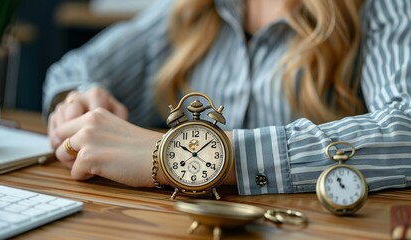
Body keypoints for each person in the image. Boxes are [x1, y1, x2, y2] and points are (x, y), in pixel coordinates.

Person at [44, 0, 411, 195]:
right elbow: (75, 68)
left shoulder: (378, 7)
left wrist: (191, 155)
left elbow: (405, 130)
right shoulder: (191, 8)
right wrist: (78, 100)